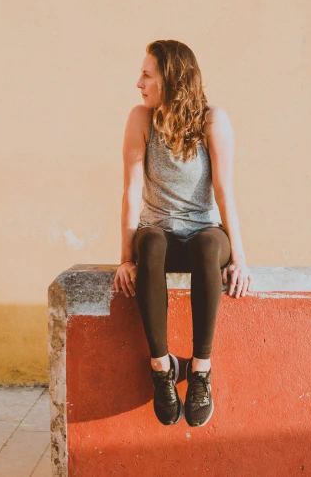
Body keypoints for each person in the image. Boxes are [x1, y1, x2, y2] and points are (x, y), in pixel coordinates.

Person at [112, 40, 253, 427]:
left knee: (209, 243)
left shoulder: (212, 120)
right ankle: (163, 369)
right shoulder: (141, 119)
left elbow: (224, 192)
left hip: (203, 235)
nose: (138, 82)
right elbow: (130, 190)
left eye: (146, 74)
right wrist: (126, 258)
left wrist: (239, 260)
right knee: (151, 240)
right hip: (160, 233)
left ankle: (201, 371)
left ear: (170, 79)